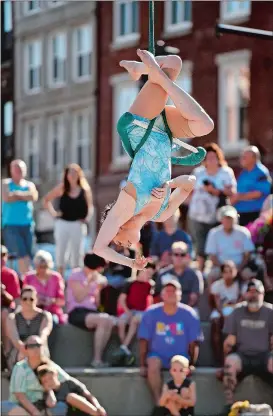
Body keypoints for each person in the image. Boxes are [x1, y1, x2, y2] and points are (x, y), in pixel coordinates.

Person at [93, 49, 214, 270]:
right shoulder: (162, 214)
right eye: (121, 247)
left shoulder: (126, 206)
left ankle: (152, 73)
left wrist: (130, 263)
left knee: (173, 64)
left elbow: (99, 249)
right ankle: (144, 70)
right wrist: (171, 184)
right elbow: (190, 183)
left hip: (141, 126)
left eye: (118, 242)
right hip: (165, 132)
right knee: (205, 124)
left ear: (119, 226)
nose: (123, 245)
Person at [138, 280, 203, 404]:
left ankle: (179, 406)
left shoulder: (189, 313)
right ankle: (159, 403)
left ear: (180, 294)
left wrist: (192, 363)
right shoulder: (151, 313)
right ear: (161, 294)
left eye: (174, 291)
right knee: (152, 364)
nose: (170, 293)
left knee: (180, 367)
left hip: (180, 356)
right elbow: (143, 340)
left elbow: (194, 342)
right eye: (167, 291)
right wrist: (142, 365)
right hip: (157, 355)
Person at [222, 279, 273, 410]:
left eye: (256, 292)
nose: (253, 295)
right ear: (245, 295)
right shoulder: (237, 312)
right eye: (250, 292)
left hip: (264, 356)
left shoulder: (270, 312)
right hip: (243, 356)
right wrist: (223, 364)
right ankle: (230, 406)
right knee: (230, 363)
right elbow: (229, 342)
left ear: (263, 294)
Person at [188, 143, 237, 271]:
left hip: (217, 216)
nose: (210, 160)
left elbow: (231, 192)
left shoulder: (226, 172)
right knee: (200, 247)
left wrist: (215, 190)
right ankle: (201, 274)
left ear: (218, 157)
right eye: (208, 157)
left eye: (213, 157)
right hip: (197, 215)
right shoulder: (198, 172)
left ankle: (220, 271)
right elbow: (190, 190)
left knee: (216, 246)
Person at [43, 163, 93, 276]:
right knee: (61, 252)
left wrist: (86, 219)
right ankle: (60, 280)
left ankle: (75, 279)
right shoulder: (62, 188)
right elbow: (46, 200)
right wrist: (54, 214)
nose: (72, 175)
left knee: (77, 253)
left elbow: (90, 207)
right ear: (66, 175)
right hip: (63, 223)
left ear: (79, 174)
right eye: (70, 173)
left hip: (77, 224)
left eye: (75, 172)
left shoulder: (84, 189)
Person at [66, 253, 114, 368]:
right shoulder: (76, 275)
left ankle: (99, 357)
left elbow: (96, 303)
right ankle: (96, 359)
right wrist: (91, 283)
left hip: (91, 311)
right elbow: (79, 297)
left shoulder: (97, 278)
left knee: (109, 320)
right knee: (103, 320)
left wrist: (99, 289)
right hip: (76, 311)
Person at [1, 335, 69, 416]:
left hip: (44, 405)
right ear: (26, 349)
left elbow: (67, 381)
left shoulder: (49, 365)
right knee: (5, 406)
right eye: (31, 346)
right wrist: (34, 412)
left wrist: (51, 390)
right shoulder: (20, 367)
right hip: (22, 406)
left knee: (61, 406)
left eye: (38, 345)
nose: (35, 349)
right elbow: (19, 395)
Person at [113, 262, 156, 365]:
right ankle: (125, 347)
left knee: (135, 320)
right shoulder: (129, 283)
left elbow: (150, 301)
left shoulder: (150, 285)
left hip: (142, 312)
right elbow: (122, 300)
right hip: (130, 310)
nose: (149, 276)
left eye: (151, 274)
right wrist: (127, 312)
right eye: (147, 273)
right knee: (122, 322)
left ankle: (123, 347)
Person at [2, 159, 38, 274]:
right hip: (11, 225)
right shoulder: (5, 183)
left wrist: (16, 194)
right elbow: (7, 198)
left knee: (29, 254)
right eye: (16, 169)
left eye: (21, 169)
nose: (19, 171)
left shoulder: (29, 184)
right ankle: (25, 279)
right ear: (11, 170)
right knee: (20, 254)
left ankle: (26, 278)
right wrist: (24, 196)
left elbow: (33, 196)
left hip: (27, 224)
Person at [205, 205, 255, 286]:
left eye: (230, 218)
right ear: (221, 219)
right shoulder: (214, 233)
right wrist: (224, 269)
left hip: (240, 266)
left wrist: (239, 267)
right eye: (226, 218)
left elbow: (247, 254)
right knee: (210, 275)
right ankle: (213, 297)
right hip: (220, 266)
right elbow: (212, 255)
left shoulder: (243, 232)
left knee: (248, 274)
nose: (228, 220)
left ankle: (245, 296)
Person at [6, 286, 52, 370]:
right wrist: (26, 350)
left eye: (31, 299)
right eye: (25, 299)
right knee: (21, 356)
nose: (28, 301)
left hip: (39, 348)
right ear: (20, 300)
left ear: (36, 300)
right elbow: (15, 339)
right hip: (19, 351)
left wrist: (34, 349)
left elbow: (44, 335)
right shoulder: (12, 317)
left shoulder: (45, 316)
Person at [37, 364, 107, 416]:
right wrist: (49, 391)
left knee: (70, 397)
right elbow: (51, 404)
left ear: (56, 375)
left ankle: (97, 414)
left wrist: (98, 407)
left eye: (50, 378)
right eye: (45, 381)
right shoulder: (47, 394)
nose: (49, 382)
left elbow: (89, 395)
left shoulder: (69, 383)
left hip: (83, 412)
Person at [230, 146, 272, 226]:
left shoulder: (261, 172)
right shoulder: (244, 172)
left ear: (253, 158)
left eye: (245, 157)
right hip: (241, 213)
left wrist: (238, 197)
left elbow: (258, 193)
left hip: (255, 213)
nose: (241, 159)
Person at [22, 250, 66, 325]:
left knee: (52, 321)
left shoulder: (56, 277)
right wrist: (35, 301)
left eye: (45, 267)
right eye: (40, 267)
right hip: (32, 310)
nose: (42, 269)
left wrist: (51, 301)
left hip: (52, 312)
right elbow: (23, 298)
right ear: (36, 266)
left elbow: (61, 301)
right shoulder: (28, 277)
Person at [155, 242, 203, 309]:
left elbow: (193, 299)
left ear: (187, 256)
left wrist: (181, 312)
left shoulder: (195, 274)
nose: (179, 257)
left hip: (188, 310)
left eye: (182, 255)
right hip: (165, 309)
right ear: (171, 255)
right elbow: (157, 296)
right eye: (176, 254)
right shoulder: (163, 274)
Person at [209, 261, 240, 365]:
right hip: (220, 311)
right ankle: (218, 359)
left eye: (230, 271)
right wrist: (223, 314)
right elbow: (217, 304)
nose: (228, 274)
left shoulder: (240, 286)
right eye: (225, 271)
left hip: (236, 313)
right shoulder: (217, 285)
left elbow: (240, 303)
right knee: (216, 323)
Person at [1, 245, 21, 356]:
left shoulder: (10, 275)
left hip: (6, 309)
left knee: (4, 314)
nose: (1, 258)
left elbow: (15, 300)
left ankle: (6, 352)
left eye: (3, 255)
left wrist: (3, 293)